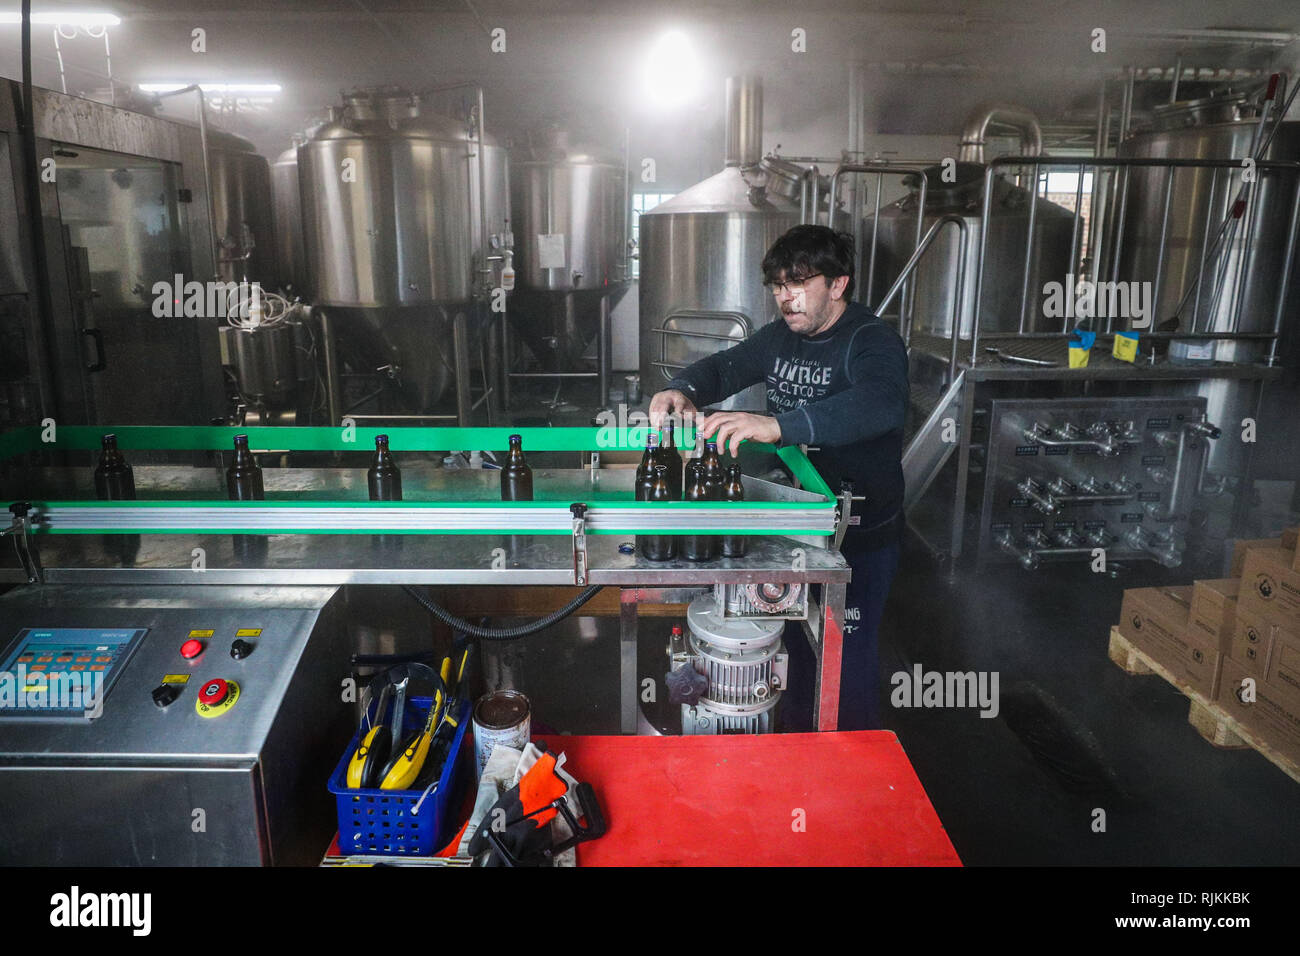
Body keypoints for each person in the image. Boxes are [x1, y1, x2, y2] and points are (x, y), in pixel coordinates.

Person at [648, 224, 908, 730]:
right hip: (793, 522)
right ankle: (792, 747)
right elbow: (725, 367)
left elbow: (881, 402)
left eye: (799, 283)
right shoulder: (781, 338)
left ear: (838, 285)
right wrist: (682, 388)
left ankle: (847, 766)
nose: (785, 298)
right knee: (790, 641)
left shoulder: (870, 341)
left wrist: (778, 425)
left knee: (845, 652)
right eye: (778, 286)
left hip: (858, 533)